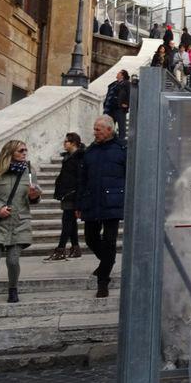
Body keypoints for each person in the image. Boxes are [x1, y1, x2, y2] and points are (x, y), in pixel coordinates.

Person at [0, 140, 41, 321]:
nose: (25, 152)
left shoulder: (29, 171)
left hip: (20, 222)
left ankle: (13, 288)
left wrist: (35, 196)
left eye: (26, 149)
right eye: (21, 150)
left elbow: (33, 198)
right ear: (10, 152)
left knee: (13, 261)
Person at [77, 116, 126, 298]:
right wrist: (79, 202)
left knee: (110, 240)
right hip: (91, 201)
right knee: (90, 238)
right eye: (94, 129)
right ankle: (108, 261)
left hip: (113, 202)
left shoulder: (122, 149)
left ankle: (103, 281)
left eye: (98, 129)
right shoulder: (90, 151)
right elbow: (82, 179)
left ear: (109, 130)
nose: (94, 132)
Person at [44, 133, 84, 261]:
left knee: (67, 221)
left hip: (73, 193)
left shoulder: (79, 157)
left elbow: (79, 178)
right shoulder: (68, 157)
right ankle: (75, 247)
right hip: (67, 192)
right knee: (70, 221)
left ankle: (61, 249)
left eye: (66, 141)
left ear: (73, 143)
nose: (64, 143)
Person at [103, 70, 131, 138]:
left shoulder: (127, 84)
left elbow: (130, 94)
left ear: (122, 75)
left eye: (119, 73)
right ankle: (109, 141)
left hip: (119, 109)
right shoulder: (113, 84)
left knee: (121, 127)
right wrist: (105, 103)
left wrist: (127, 104)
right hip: (110, 108)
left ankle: (121, 142)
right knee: (109, 127)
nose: (117, 73)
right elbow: (109, 94)